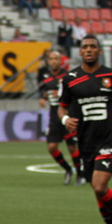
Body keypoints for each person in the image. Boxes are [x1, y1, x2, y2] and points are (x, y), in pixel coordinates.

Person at [58, 35, 112, 224]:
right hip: (86, 142)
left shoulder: (111, 75)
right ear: (80, 52)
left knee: (100, 186)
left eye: (92, 46)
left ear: (99, 51)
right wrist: (64, 120)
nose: (89, 50)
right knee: (97, 191)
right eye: (84, 47)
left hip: (109, 137)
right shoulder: (70, 79)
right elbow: (61, 108)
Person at [38, 49, 81, 185]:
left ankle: (80, 175)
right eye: (51, 59)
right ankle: (68, 169)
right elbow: (46, 91)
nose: (53, 61)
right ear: (48, 61)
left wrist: (62, 95)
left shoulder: (67, 75)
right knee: (51, 147)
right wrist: (44, 98)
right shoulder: (46, 76)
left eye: (56, 59)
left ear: (60, 61)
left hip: (66, 115)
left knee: (72, 147)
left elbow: (75, 93)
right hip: (53, 117)